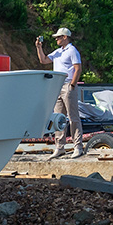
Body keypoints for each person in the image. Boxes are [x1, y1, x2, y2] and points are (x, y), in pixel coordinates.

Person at [37, 27, 84, 159]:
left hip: (67, 85)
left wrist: (72, 85)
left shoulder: (72, 50)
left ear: (65, 37)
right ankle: (60, 146)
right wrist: (39, 47)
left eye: (58, 37)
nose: (56, 39)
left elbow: (78, 68)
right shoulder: (58, 52)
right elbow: (44, 60)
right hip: (56, 85)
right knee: (59, 118)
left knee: (73, 117)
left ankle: (77, 146)